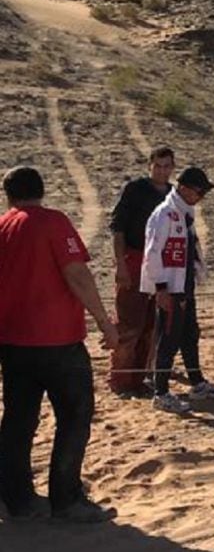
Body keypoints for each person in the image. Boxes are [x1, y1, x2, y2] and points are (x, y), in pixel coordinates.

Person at [0, 166, 120, 522]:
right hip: (56, 341)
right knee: (75, 415)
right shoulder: (52, 222)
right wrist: (104, 321)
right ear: (42, 190)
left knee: (19, 419)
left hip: (12, 341)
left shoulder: (4, 226)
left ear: (8, 194)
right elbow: (77, 274)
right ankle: (66, 499)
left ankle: (16, 498)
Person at [142, 166, 214, 413]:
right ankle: (161, 392)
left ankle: (197, 383)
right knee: (169, 338)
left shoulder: (184, 213)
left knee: (189, 335)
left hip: (184, 286)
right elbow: (152, 254)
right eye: (199, 191)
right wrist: (161, 288)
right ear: (184, 188)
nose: (201, 197)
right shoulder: (165, 214)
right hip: (170, 288)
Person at [107, 145, 175, 397]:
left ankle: (139, 379)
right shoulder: (135, 190)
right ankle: (120, 380)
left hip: (162, 263)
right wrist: (121, 264)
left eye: (167, 166)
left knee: (151, 325)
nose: (162, 170)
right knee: (129, 324)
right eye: (158, 165)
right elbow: (118, 228)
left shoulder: (173, 194)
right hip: (135, 258)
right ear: (150, 166)